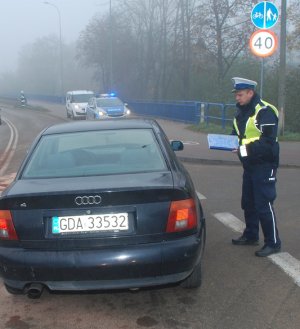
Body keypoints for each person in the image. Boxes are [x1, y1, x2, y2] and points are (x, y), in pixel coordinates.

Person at [230, 77, 281, 257]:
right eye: (236, 95)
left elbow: (268, 142)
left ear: (251, 93)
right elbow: (238, 135)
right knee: (248, 202)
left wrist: (243, 149)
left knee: (263, 204)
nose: (237, 98)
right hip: (250, 164)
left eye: (240, 94)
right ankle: (251, 235)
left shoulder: (265, 111)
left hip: (265, 164)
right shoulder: (241, 112)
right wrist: (227, 143)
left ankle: (273, 243)